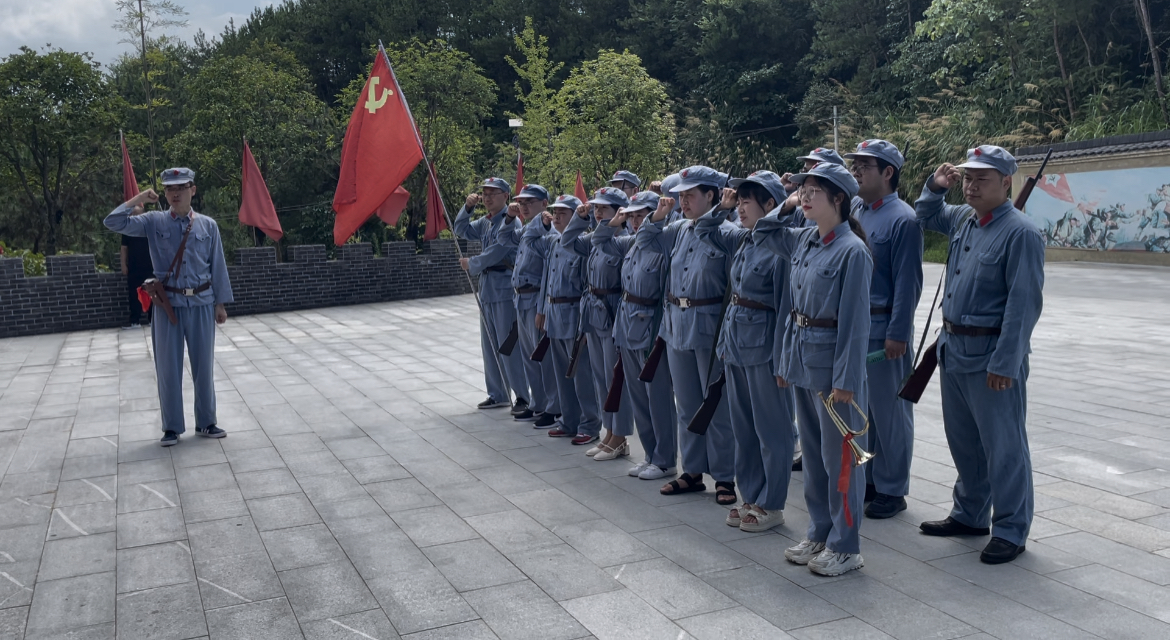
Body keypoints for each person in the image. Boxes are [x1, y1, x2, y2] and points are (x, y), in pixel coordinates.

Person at [916, 145, 1045, 565]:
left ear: (1006, 183)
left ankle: (1010, 528)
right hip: (954, 349)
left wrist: (1005, 363)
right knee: (964, 441)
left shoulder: (1021, 233)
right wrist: (936, 186)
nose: (971, 186)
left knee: (1004, 447)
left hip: (991, 356)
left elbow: (1023, 305)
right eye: (967, 178)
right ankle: (970, 513)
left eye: (981, 179)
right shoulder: (964, 220)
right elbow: (925, 214)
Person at [754, 162, 872, 576]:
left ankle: (846, 545)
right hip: (803, 363)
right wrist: (785, 205)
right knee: (817, 460)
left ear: (838, 198)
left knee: (841, 463)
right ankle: (820, 531)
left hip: (833, 373)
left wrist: (847, 380)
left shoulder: (852, 251)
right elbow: (762, 233)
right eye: (802, 190)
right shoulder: (804, 239)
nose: (804, 197)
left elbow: (856, 323)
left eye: (813, 191)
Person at [694, 171, 795, 532]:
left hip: (764, 347)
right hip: (736, 342)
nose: (740, 207)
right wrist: (721, 207)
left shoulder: (782, 246)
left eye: (747, 201)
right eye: (739, 200)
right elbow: (704, 230)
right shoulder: (743, 239)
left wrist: (784, 358)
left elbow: (785, 308)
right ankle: (751, 495)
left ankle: (772, 502)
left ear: (771, 204)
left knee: (773, 430)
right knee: (744, 428)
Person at [104, 168, 232, 446]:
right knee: (168, 369)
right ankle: (172, 427)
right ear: (164, 193)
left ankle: (206, 422)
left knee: (203, 367)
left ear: (192, 190)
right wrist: (139, 198)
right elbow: (112, 222)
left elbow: (217, 266)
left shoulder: (208, 226)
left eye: (181, 188)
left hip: (201, 303)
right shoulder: (153, 221)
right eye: (170, 189)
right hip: (167, 306)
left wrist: (220, 304)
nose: (175, 193)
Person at [643, 165, 738, 506]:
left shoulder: (727, 232)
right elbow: (646, 240)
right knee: (686, 404)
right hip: (676, 325)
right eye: (680, 195)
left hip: (710, 326)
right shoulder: (679, 229)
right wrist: (658, 215)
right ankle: (693, 471)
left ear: (712, 195)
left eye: (690, 195)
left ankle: (725, 476)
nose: (683, 201)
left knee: (715, 405)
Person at [844, 140, 924, 519]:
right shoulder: (856, 210)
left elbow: (909, 283)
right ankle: (873, 478)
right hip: (859, 326)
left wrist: (899, 333)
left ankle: (893, 488)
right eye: (855, 165)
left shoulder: (903, 219)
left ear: (888, 172)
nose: (856, 172)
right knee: (866, 410)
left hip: (884, 328)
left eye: (865, 166)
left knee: (891, 413)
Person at [593, 192, 679, 478]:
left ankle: (665, 459)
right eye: (631, 216)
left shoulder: (665, 242)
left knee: (658, 397)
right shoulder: (630, 244)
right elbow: (599, 241)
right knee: (639, 397)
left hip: (650, 327)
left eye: (641, 215)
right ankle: (650, 454)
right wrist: (615, 221)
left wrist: (656, 220)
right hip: (626, 325)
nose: (635, 221)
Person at [562, 187, 633, 455]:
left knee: (614, 378)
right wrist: (579, 218)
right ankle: (609, 432)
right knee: (600, 377)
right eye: (596, 208)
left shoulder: (624, 241)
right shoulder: (595, 238)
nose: (598, 212)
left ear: (619, 212)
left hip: (613, 311)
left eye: (604, 208)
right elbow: (567, 241)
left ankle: (620, 435)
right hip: (593, 313)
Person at [454, 178, 525, 413]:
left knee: (509, 345)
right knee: (490, 345)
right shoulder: (486, 222)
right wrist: (467, 208)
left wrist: (473, 263)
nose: (487, 197)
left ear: (506, 196)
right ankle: (498, 394)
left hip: (504, 288)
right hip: (487, 288)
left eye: (493, 193)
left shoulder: (511, 221)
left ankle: (522, 396)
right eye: (484, 193)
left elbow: (498, 251)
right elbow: (460, 230)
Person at [536, 196, 602, 445]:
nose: (557, 216)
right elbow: (547, 280)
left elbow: (587, 285)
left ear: (577, 216)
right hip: (554, 313)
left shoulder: (583, 244)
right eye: (555, 212)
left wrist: (584, 322)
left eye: (563, 213)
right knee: (562, 373)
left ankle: (589, 423)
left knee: (582, 373)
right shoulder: (554, 243)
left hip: (574, 313)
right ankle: (568, 420)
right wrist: (542, 310)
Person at [503, 184, 559, 425]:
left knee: (544, 357)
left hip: (536, 298)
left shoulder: (548, 233)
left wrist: (543, 309)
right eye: (521, 202)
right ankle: (538, 403)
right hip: (521, 299)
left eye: (530, 202)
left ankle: (553, 406)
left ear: (544, 204)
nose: (524, 207)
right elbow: (504, 238)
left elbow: (549, 275)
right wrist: (509, 217)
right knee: (529, 358)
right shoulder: (526, 230)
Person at [120, 209, 153, 328]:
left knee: (152, 292)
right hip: (134, 266)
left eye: (136, 215)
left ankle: (152, 320)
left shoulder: (149, 228)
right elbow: (124, 248)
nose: (134, 217)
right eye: (132, 215)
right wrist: (123, 264)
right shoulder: (127, 230)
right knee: (134, 294)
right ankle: (135, 321)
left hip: (150, 266)